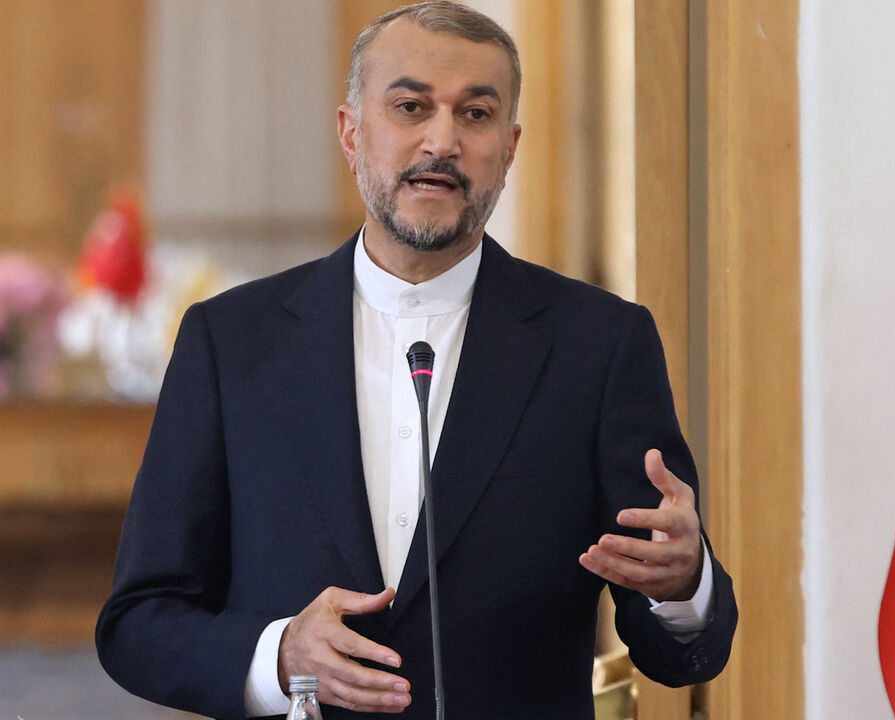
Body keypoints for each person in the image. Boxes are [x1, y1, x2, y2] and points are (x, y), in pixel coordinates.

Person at [95, 3, 737, 719]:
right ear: (351, 131)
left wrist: (681, 586)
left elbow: (681, 654)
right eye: (410, 107)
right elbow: (139, 626)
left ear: (510, 144)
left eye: (476, 114)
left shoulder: (601, 345)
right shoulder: (231, 343)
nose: (443, 140)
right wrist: (280, 657)